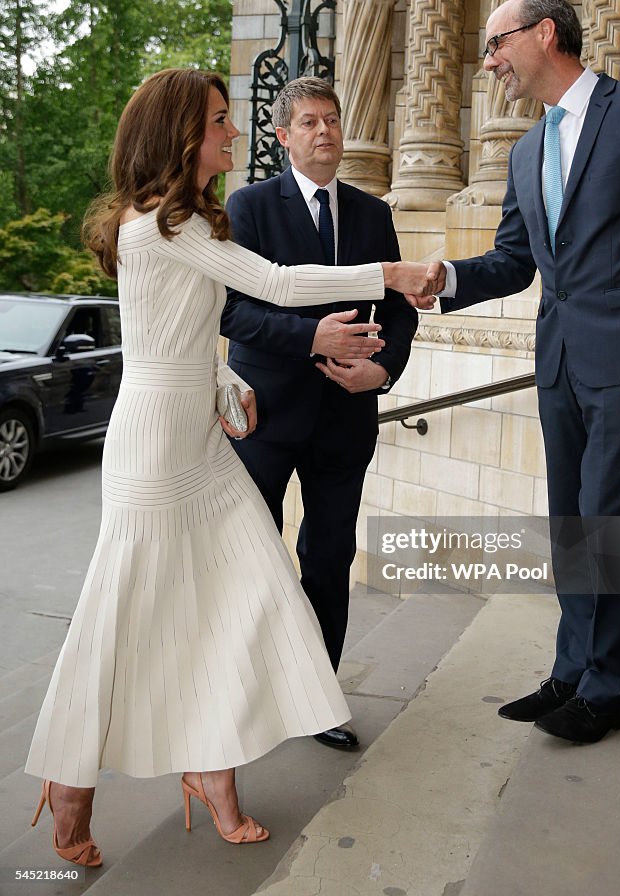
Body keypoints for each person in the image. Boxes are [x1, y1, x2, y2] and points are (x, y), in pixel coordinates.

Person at [24, 68, 433, 865]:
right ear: (182, 134)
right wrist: (384, 274)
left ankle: (210, 767)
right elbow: (274, 286)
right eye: (219, 121)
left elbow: (178, 329)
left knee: (251, 589)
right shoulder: (159, 227)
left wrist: (224, 382)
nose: (232, 133)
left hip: (200, 439)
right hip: (151, 450)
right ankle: (68, 783)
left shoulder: (183, 223)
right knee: (122, 613)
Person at [420, 0, 620, 744]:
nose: (489, 63)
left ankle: (606, 689)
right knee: (570, 527)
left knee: (611, 523)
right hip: (557, 362)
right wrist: (444, 279)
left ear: (544, 33)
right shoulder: (524, 150)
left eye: (496, 45)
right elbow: (514, 261)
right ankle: (569, 671)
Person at [220, 78, 418, 751]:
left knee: (328, 559)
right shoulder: (245, 207)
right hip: (264, 417)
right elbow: (231, 310)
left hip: (344, 419)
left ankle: (318, 701)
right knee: (252, 560)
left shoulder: (371, 213)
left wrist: (382, 370)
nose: (325, 132)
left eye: (332, 120)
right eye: (308, 122)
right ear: (282, 136)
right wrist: (311, 338)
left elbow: (396, 310)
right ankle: (245, 692)